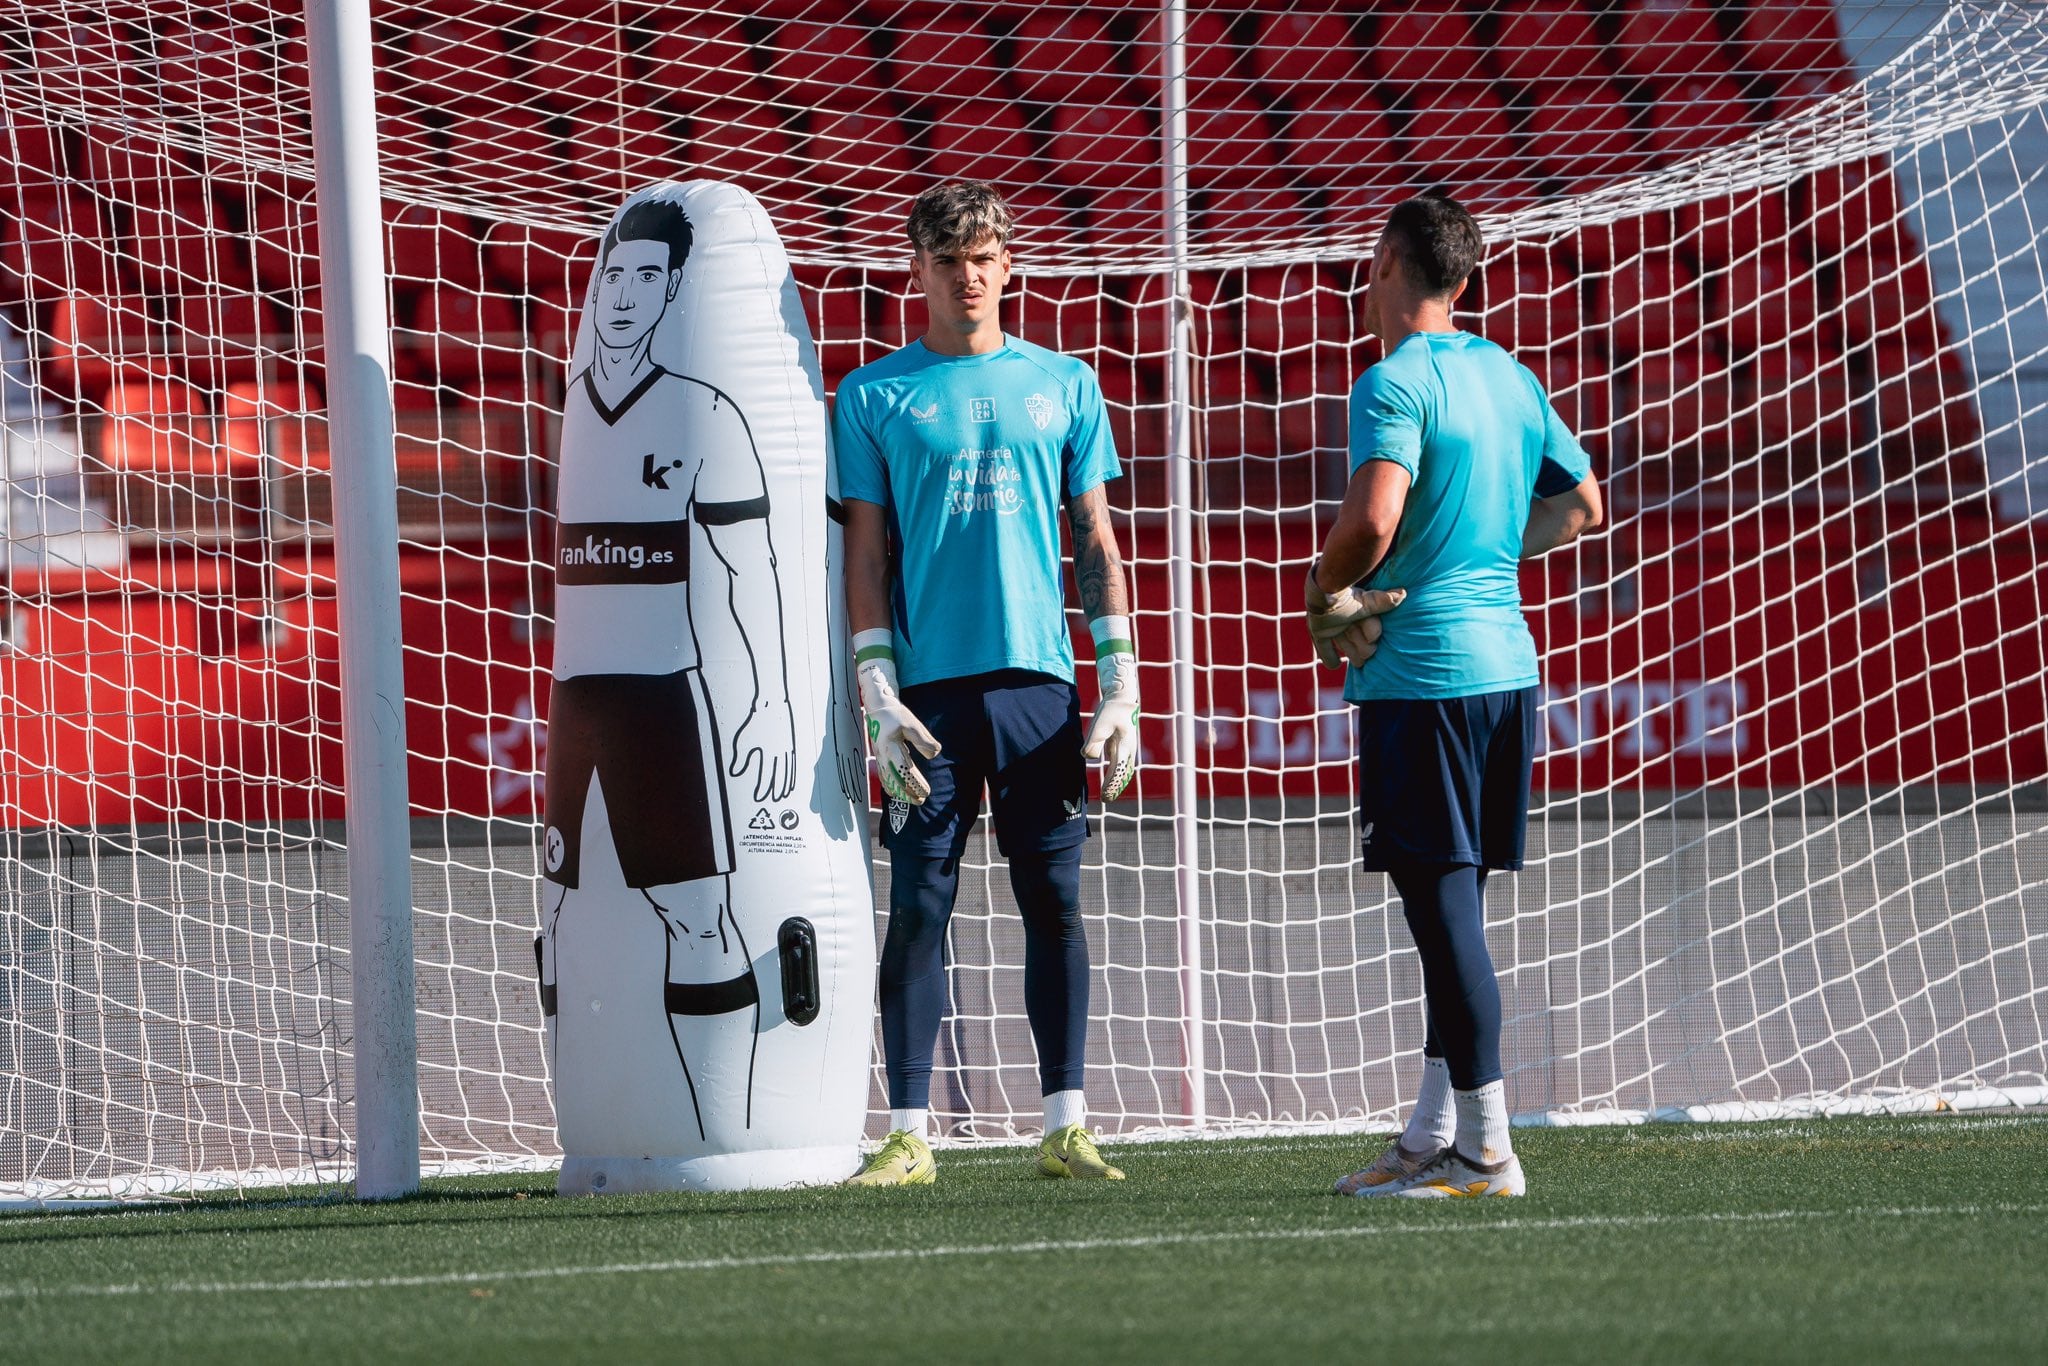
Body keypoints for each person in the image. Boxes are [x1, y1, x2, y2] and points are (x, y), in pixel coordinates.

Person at [835, 181, 1138, 1184]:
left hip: (1039, 692)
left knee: (1053, 900)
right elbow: (866, 552)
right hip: (928, 698)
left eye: (983, 256)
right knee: (919, 904)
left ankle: (1065, 1121)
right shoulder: (872, 396)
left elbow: (1092, 536)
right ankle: (910, 1130)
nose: (967, 275)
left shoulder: (1065, 382)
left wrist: (1120, 675)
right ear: (913, 269)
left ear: (1009, 264)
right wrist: (875, 684)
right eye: (946, 258)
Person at [1311, 194, 1602, 1199]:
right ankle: (1432, 1131)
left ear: (1388, 261)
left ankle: (1486, 1152)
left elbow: (1371, 516)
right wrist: (1480, 554)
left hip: (1423, 676)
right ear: (1465, 279)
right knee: (1455, 908)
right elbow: (1580, 502)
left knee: (1440, 916)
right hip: (1504, 671)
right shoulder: (1508, 376)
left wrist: (1324, 591)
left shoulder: (1392, 379)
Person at [540, 195, 797, 1139]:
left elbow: (752, 566)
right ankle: (593, 1130)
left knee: (696, 920)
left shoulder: (707, 410)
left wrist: (768, 700)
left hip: (662, 703)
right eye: (615, 274)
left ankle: (724, 1131)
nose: (624, 292)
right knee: (564, 922)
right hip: (578, 703)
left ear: (674, 293)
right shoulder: (570, 402)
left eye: (648, 277)